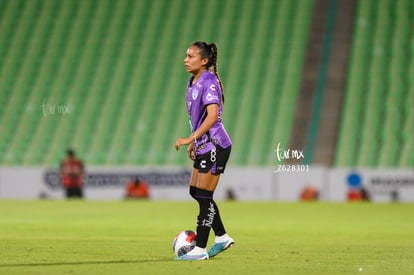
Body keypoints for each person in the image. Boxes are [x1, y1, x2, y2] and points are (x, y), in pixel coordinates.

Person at [174, 41, 234, 260]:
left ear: (205, 61)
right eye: (186, 55)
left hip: (216, 145)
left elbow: (212, 116)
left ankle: (199, 249)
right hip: (204, 145)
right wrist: (194, 142)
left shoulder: (209, 81)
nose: (186, 59)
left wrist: (191, 137)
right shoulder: (193, 81)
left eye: (190, 56)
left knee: (205, 196)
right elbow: (198, 118)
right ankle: (221, 237)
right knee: (195, 192)